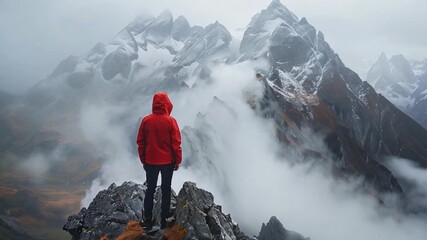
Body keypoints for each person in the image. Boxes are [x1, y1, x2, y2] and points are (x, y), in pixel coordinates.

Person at [136, 92, 182, 229]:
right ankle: (164, 218)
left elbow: (141, 143)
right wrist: (177, 160)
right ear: (167, 104)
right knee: (166, 189)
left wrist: (144, 160)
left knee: (150, 190)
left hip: (150, 161)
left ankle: (147, 219)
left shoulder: (146, 121)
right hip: (167, 162)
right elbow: (176, 144)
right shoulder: (171, 121)